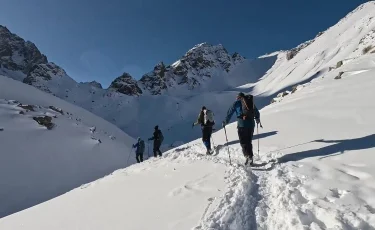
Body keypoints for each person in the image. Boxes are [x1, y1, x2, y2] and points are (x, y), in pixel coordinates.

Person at [222, 92, 260, 165]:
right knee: (248, 141)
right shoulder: (250, 103)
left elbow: (230, 112)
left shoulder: (236, 103)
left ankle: (248, 156)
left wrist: (225, 121)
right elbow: (256, 112)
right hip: (251, 124)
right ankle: (250, 157)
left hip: (242, 125)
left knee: (243, 141)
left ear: (238, 97)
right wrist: (257, 119)